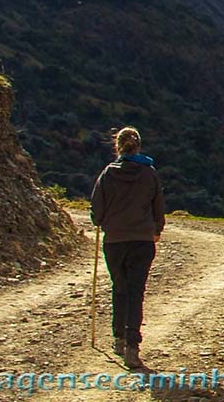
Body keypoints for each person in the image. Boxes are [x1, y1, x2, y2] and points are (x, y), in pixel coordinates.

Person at [90, 127, 165, 369]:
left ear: (117, 147)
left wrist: (101, 221)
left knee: (119, 287)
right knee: (136, 291)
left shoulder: (108, 174)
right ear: (139, 147)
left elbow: (96, 211)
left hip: (114, 241)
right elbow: (158, 207)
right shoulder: (149, 173)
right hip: (142, 241)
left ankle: (118, 339)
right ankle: (133, 346)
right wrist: (156, 230)